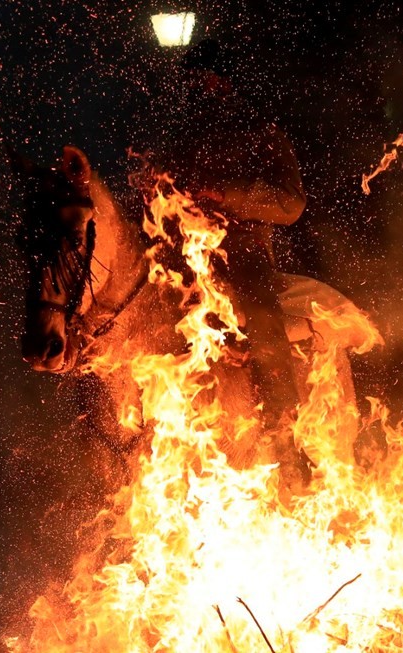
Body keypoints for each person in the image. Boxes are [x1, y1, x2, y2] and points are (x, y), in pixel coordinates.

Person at [154, 39, 308, 470]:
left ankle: (284, 427)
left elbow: (291, 204)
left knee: (261, 312)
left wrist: (226, 196)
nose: (201, 88)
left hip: (244, 250)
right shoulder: (181, 134)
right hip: (182, 250)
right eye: (194, 81)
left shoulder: (262, 133)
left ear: (226, 82)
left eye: (208, 79)